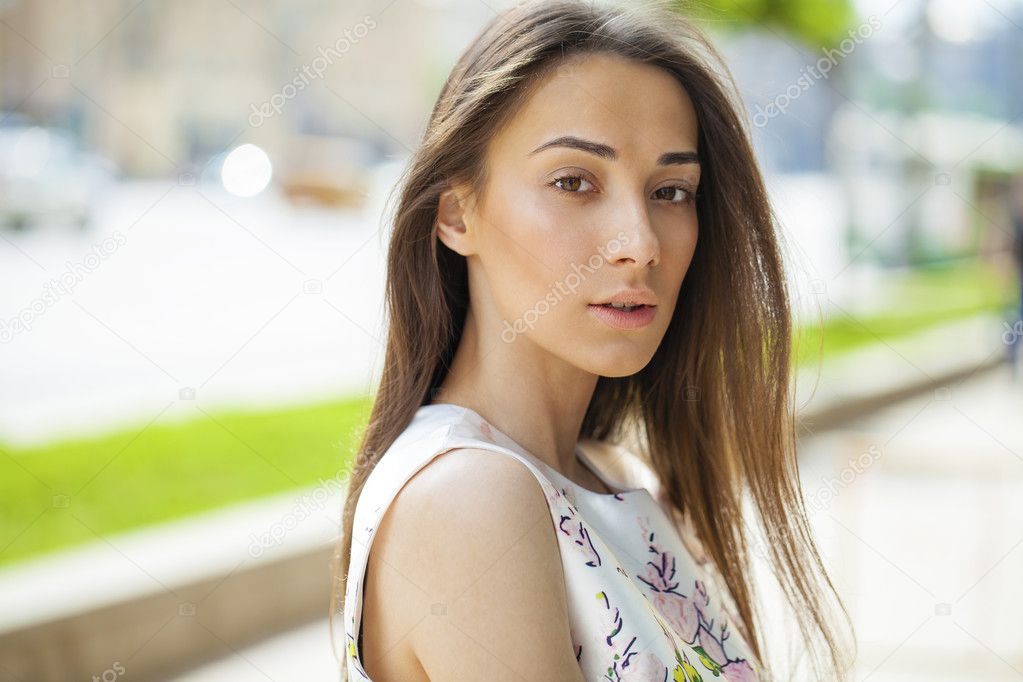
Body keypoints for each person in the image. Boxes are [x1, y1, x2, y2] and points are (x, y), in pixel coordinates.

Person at [330, 2, 855, 680]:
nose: (638, 244)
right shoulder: (468, 500)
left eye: (670, 191)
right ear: (456, 214)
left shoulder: (617, 481)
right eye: (574, 182)